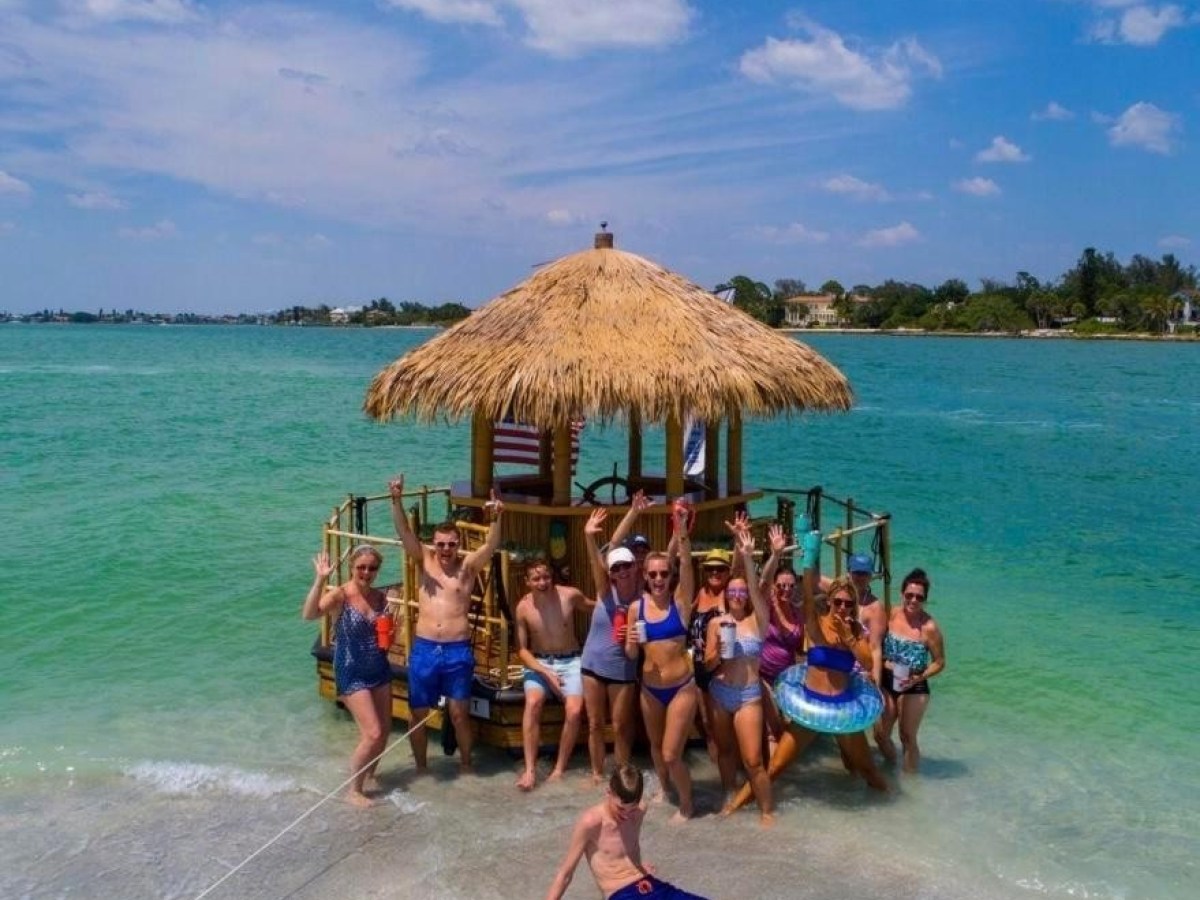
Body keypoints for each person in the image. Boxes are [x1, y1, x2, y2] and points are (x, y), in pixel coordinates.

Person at [728, 533, 887, 812]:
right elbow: (810, 592)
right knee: (775, 768)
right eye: (837, 602)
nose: (842, 608)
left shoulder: (854, 632)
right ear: (830, 601)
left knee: (869, 773)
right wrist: (809, 557)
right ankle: (730, 811)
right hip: (810, 707)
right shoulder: (815, 623)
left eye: (848, 604)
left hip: (842, 711)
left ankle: (892, 816)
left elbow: (867, 660)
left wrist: (848, 637)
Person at [389, 475, 503, 774]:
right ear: (434, 544)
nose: (446, 549)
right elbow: (403, 532)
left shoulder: (467, 568)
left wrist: (496, 517)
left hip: (457, 651)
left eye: (451, 544)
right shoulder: (425, 561)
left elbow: (492, 544)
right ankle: (422, 768)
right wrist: (397, 500)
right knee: (417, 712)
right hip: (425, 648)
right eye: (441, 544)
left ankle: (466, 766)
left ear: (458, 544)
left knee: (460, 713)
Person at [301, 545, 393, 807]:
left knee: (384, 731)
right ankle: (353, 790)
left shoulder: (380, 598)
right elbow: (309, 614)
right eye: (361, 567)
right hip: (352, 671)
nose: (366, 572)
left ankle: (369, 775)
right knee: (372, 733)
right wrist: (320, 579)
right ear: (352, 567)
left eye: (372, 568)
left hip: (379, 666)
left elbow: (383, 634)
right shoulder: (340, 595)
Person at [624, 502, 695, 821]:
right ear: (645, 576)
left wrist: (681, 533)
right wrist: (631, 642)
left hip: (681, 687)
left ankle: (687, 804)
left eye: (664, 574)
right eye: (652, 574)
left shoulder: (680, 603)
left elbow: (687, 564)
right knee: (655, 745)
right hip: (650, 688)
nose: (658, 579)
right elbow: (631, 656)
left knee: (670, 753)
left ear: (671, 576)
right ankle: (665, 789)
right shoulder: (635, 609)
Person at [545, 764, 709, 900]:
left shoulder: (639, 810)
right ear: (609, 793)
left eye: (631, 809)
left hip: (650, 885)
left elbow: (626, 848)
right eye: (620, 808)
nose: (626, 815)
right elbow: (565, 873)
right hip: (622, 894)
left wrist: (635, 864)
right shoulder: (591, 822)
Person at [704, 524, 773, 825]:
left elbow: (758, 589)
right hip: (721, 693)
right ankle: (729, 796)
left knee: (754, 760)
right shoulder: (716, 624)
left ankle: (767, 811)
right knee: (724, 751)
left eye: (741, 591)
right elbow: (707, 665)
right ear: (726, 595)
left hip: (748, 696)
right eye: (732, 590)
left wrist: (746, 557)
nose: (737, 594)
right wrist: (717, 653)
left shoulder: (758, 620)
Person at [514, 559, 590, 790]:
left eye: (546, 577)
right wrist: (545, 673)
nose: (542, 582)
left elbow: (596, 607)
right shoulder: (523, 607)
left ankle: (559, 768)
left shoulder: (570, 595)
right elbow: (521, 650)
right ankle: (530, 770)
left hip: (571, 660)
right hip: (539, 663)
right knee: (534, 702)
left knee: (575, 710)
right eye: (536, 579)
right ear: (527, 582)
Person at [580, 507, 642, 783]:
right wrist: (589, 537)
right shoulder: (606, 590)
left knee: (620, 727)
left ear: (635, 567)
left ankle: (621, 774)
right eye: (616, 568)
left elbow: (673, 561)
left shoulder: (644, 596)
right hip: (592, 665)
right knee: (594, 724)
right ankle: (596, 773)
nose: (622, 571)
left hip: (623, 669)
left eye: (626, 566)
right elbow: (596, 561)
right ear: (612, 573)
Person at [876, 568, 946, 773]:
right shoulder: (891, 613)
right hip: (888, 679)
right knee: (880, 734)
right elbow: (873, 641)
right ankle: (892, 770)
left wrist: (920, 677)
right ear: (902, 594)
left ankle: (910, 782)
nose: (913, 600)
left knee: (907, 736)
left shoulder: (929, 628)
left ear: (925, 599)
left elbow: (940, 662)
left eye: (919, 597)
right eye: (909, 595)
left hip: (915, 684)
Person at [759, 564, 803, 761]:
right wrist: (775, 556)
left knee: (787, 730)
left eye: (791, 586)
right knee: (770, 730)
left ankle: (781, 773)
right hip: (764, 677)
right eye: (781, 585)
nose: (786, 590)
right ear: (773, 586)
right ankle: (772, 780)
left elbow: (799, 647)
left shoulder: (797, 613)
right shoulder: (765, 608)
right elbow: (761, 584)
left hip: (788, 679)